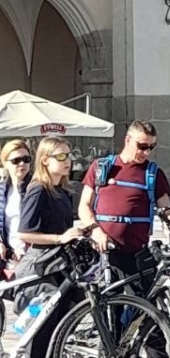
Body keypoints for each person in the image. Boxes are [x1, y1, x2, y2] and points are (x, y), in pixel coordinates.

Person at [78, 117, 170, 351]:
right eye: (142, 146)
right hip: (105, 256)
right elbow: (84, 206)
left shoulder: (153, 174)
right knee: (110, 319)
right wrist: (95, 230)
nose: (146, 152)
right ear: (127, 140)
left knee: (150, 317)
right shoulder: (102, 167)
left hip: (138, 256)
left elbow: (166, 210)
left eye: (151, 147)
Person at [17, 136, 85, 357]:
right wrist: (60, 238)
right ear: (45, 160)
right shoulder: (38, 190)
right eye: (61, 156)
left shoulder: (64, 191)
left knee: (61, 323)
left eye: (70, 155)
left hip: (60, 264)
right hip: (41, 266)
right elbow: (24, 232)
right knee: (42, 329)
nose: (68, 161)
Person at [1, 138, 32, 275]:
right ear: (5, 163)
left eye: (26, 159)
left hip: (31, 255)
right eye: (16, 160)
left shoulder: (36, 189)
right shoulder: (2, 190)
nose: (22, 164)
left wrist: (24, 247)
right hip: (8, 256)